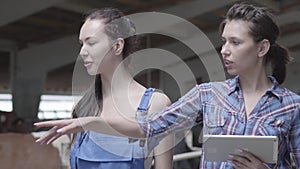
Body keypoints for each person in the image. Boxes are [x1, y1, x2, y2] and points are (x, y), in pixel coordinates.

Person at [35, 3, 300, 169]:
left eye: (235, 42)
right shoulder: (207, 95)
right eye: (224, 41)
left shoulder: (292, 106)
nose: (224, 50)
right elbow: (148, 127)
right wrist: (89, 123)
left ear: (262, 47)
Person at [36, 7, 174, 169]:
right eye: (81, 44)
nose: (82, 52)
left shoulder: (155, 105)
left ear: (117, 46)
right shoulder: (81, 108)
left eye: (91, 43)